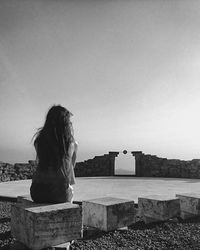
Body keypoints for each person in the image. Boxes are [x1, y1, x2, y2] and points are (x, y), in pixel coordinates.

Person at [30, 105, 78, 203]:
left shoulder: (39, 141)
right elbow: (69, 169)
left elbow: (43, 162)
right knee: (69, 188)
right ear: (65, 124)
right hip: (59, 194)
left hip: (36, 192)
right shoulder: (71, 144)